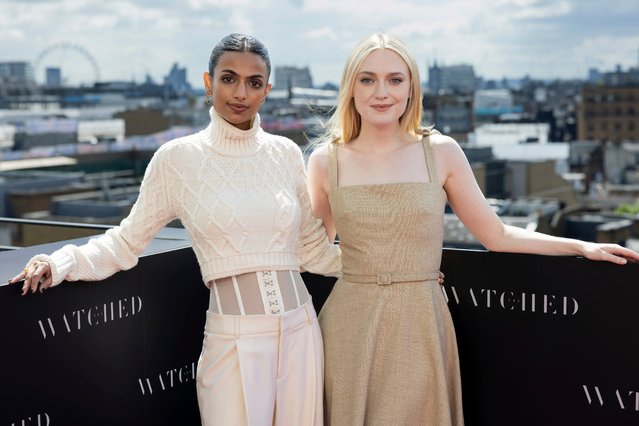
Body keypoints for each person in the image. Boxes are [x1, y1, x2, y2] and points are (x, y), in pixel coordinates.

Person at [306, 32, 639, 426]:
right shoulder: (326, 161)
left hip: (420, 324)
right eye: (367, 79)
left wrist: (580, 247)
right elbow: (315, 250)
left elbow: (496, 235)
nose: (382, 92)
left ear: (412, 87)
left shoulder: (441, 152)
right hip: (348, 326)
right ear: (350, 87)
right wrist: (372, 268)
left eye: (395, 79)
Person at [11, 33, 340, 426]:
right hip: (230, 340)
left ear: (267, 91)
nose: (240, 93)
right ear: (208, 82)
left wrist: (402, 269)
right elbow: (125, 241)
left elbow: (313, 250)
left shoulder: (285, 153)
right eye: (229, 78)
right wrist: (62, 261)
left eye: (254, 83)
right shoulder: (177, 159)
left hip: (301, 332)